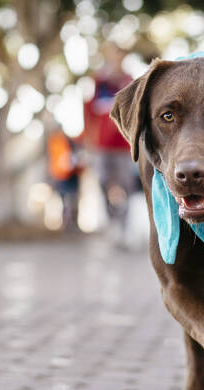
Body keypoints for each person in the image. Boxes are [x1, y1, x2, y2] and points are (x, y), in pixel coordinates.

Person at [83, 43, 136, 246]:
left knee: (126, 186)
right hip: (101, 146)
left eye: (119, 55)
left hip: (123, 146)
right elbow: (89, 112)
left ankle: (124, 228)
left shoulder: (130, 82)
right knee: (103, 181)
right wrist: (88, 140)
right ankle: (112, 220)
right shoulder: (98, 82)